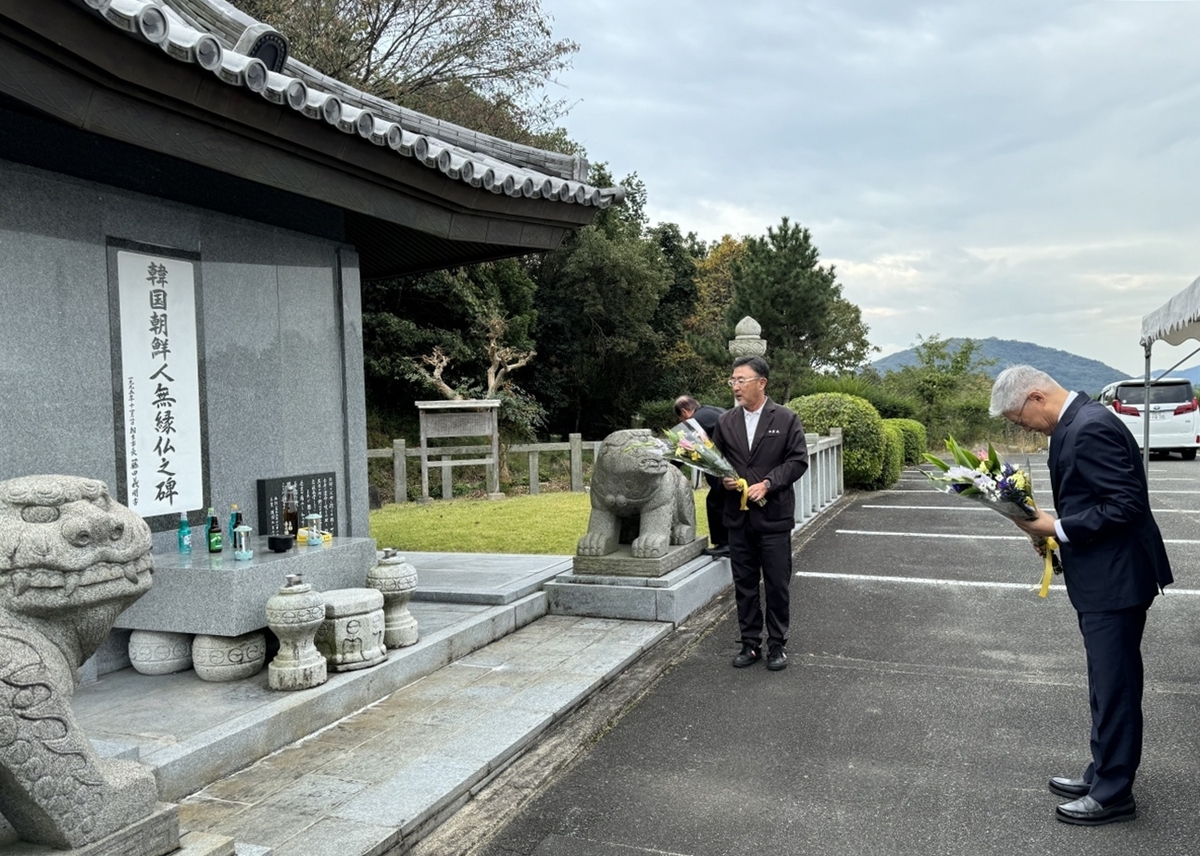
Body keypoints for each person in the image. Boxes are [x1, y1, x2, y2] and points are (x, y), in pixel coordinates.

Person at [991, 365, 1172, 826]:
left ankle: (1114, 793)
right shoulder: (1078, 422)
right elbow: (1096, 497)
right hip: (1102, 576)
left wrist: (1059, 528)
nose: (1022, 427)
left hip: (1116, 579)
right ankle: (1103, 771)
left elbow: (1125, 504)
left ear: (1035, 397)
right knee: (1103, 683)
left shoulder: (1090, 427)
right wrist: (1053, 528)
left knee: (1115, 687)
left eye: (1017, 419)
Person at [710, 356, 809, 671]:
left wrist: (768, 484)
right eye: (733, 381)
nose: (736, 387)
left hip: (773, 517)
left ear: (761, 383)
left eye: (742, 380)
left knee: (777, 583)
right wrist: (721, 480)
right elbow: (713, 462)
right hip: (737, 519)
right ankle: (750, 643)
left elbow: (797, 461)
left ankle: (777, 644)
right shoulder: (725, 421)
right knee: (745, 583)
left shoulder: (786, 418)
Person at [673, 395, 729, 557]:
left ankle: (725, 544)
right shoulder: (712, 411)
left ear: (684, 412)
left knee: (716, 502)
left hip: (725, 466)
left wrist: (667, 468)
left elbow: (682, 449)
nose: (682, 423)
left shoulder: (696, 420)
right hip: (737, 460)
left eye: (681, 418)